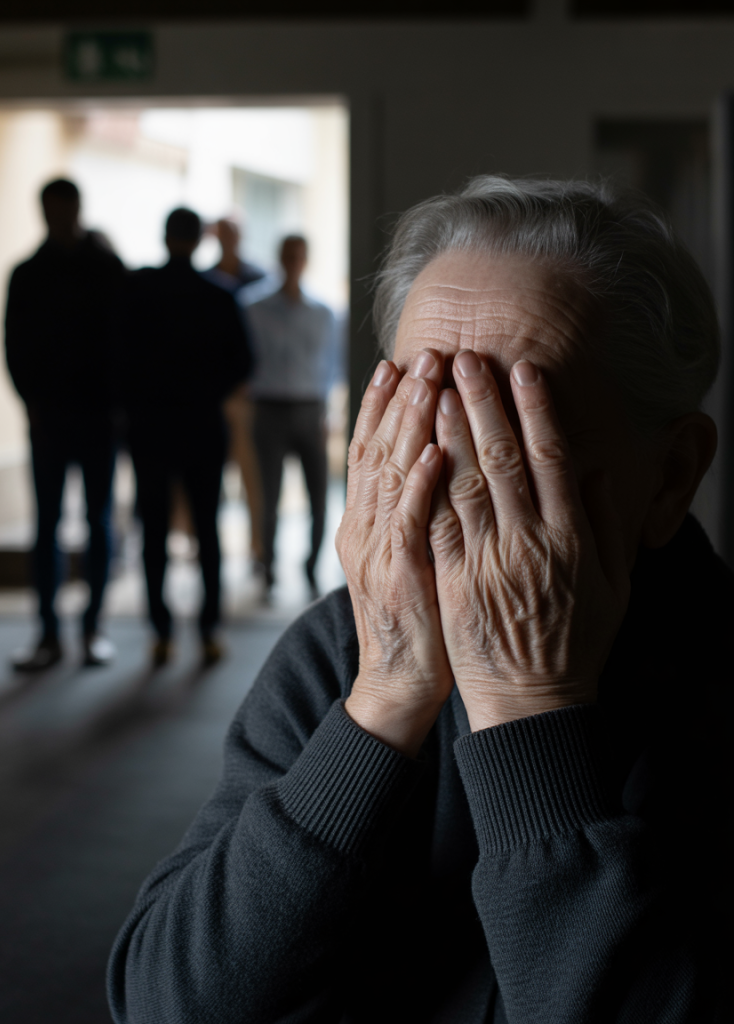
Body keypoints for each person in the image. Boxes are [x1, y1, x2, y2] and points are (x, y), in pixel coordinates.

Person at [108, 177, 731, 1022]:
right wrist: (383, 699)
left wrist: (529, 710)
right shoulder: (339, 648)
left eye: (508, 429)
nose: (450, 474)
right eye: (418, 413)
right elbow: (165, 1005)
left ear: (670, 476)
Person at [116, 207, 253, 666]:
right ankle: (209, 629)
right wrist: (206, 391)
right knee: (207, 529)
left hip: (150, 427)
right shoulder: (218, 295)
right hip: (200, 426)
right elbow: (243, 363)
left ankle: (161, 631)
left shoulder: (137, 290)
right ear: (199, 241)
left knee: (153, 529)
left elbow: (116, 357)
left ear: (164, 236)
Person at [5, 178, 124, 671]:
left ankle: (93, 628)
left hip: (97, 416)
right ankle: (48, 633)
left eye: (65, 210)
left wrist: (119, 404)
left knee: (97, 522)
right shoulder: (28, 274)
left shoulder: (104, 267)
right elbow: (11, 343)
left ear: (77, 209)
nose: (59, 219)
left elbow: (124, 340)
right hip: (49, 417)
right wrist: (30, 400)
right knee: (47, 524)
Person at [246, 234, 337, 598]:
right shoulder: (254, 307)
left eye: (299, 256)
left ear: (306, 260)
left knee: (319, 494)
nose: (293, 262)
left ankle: (312, 565)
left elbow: (330, 365)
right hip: (268, 407)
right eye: (288, 256)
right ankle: (267, 566)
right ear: (279, 258)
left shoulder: (323, 313)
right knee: (269, 494)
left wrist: (328, 409)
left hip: (309, 407)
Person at [202, 217, 268, 567]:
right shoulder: (207, 278)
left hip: (248, 394)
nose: (228, 239)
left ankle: (257, 548)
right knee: (213, 476)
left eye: (233, 234)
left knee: (251, 476)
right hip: (216, 396)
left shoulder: (259, 279)